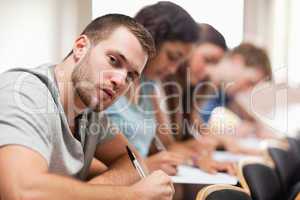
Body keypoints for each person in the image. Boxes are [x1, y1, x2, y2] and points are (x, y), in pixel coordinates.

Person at [0, 14, 174, 200]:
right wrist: (133, 195)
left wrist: (87, 193)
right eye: (113, 60)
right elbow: (21, 192)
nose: (120, 80)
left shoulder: (90, 111)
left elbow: (133, 161)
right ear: (81, 47)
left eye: (131, 76)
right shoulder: (24, 93)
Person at [105, 1, 199, 176]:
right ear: (151, 41)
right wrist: (145, 166)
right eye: (172, 56)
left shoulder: (150, 84)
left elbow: (168, 144)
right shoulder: (109, 84)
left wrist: (197, 158)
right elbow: (87, 163)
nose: (172, 69)